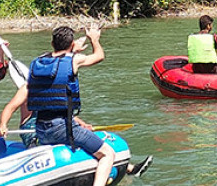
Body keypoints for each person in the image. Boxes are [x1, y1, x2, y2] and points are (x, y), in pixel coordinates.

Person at [27, 25, 151, 185]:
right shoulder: (74, 60)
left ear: (52, 44)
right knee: (108, 154)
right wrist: (94, 39)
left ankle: (129, 169)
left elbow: (57, 63)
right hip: (62, 128)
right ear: (72, 44)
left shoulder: (37, 62)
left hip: (41, 128)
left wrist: (72, 49)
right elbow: (99, 56)